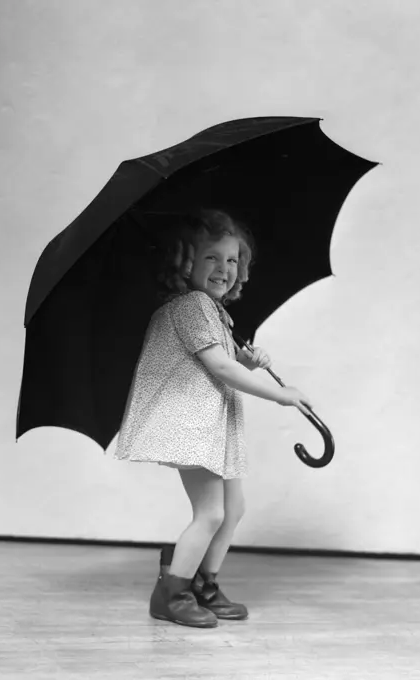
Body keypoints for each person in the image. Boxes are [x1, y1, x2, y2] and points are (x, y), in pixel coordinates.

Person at [114, 208, 313, 628]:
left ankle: (202, 583)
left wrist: (244, 359)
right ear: (184, 262)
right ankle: (171, 593)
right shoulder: (190, 306)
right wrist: (278, 394)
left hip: (213, 426)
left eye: (232, 259)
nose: (224, 268)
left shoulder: (213, 311)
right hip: (191, 426)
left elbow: (221, 362)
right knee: (211, 513)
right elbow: (220, 370)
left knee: (233, 509)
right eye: (210, 258)